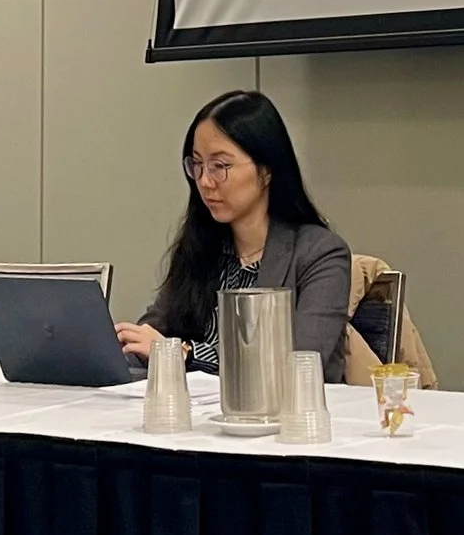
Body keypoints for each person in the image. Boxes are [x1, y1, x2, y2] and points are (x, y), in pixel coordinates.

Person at [115, 90, 353, 379]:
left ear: (266, 170)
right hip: (195, 406)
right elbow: (154, 333)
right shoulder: (200, 247)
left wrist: (183, 354)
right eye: (197, 165)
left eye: (219, 166)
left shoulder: (320, 254)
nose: (205, 181)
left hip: (281, 407)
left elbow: (301, 362)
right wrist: (123, 348)